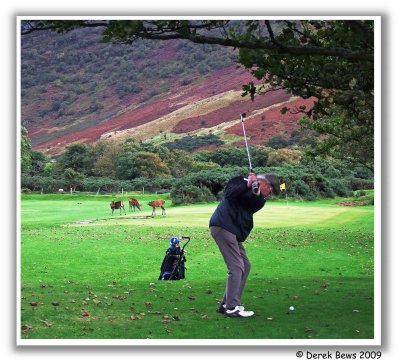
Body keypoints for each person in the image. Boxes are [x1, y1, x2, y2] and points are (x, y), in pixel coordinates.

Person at [209, 172, 280, 318]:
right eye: (271, 191)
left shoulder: (260, 199)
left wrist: (255, 192)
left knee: (245, 265)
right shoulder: (238, 180)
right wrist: (247, 184)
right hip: (223, 227)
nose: (270, 195)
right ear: (265, 184)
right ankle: (232, 308)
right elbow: (229, 194)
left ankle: (226, 303)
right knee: (236, 267)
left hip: (233, 231)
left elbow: (252, 201)